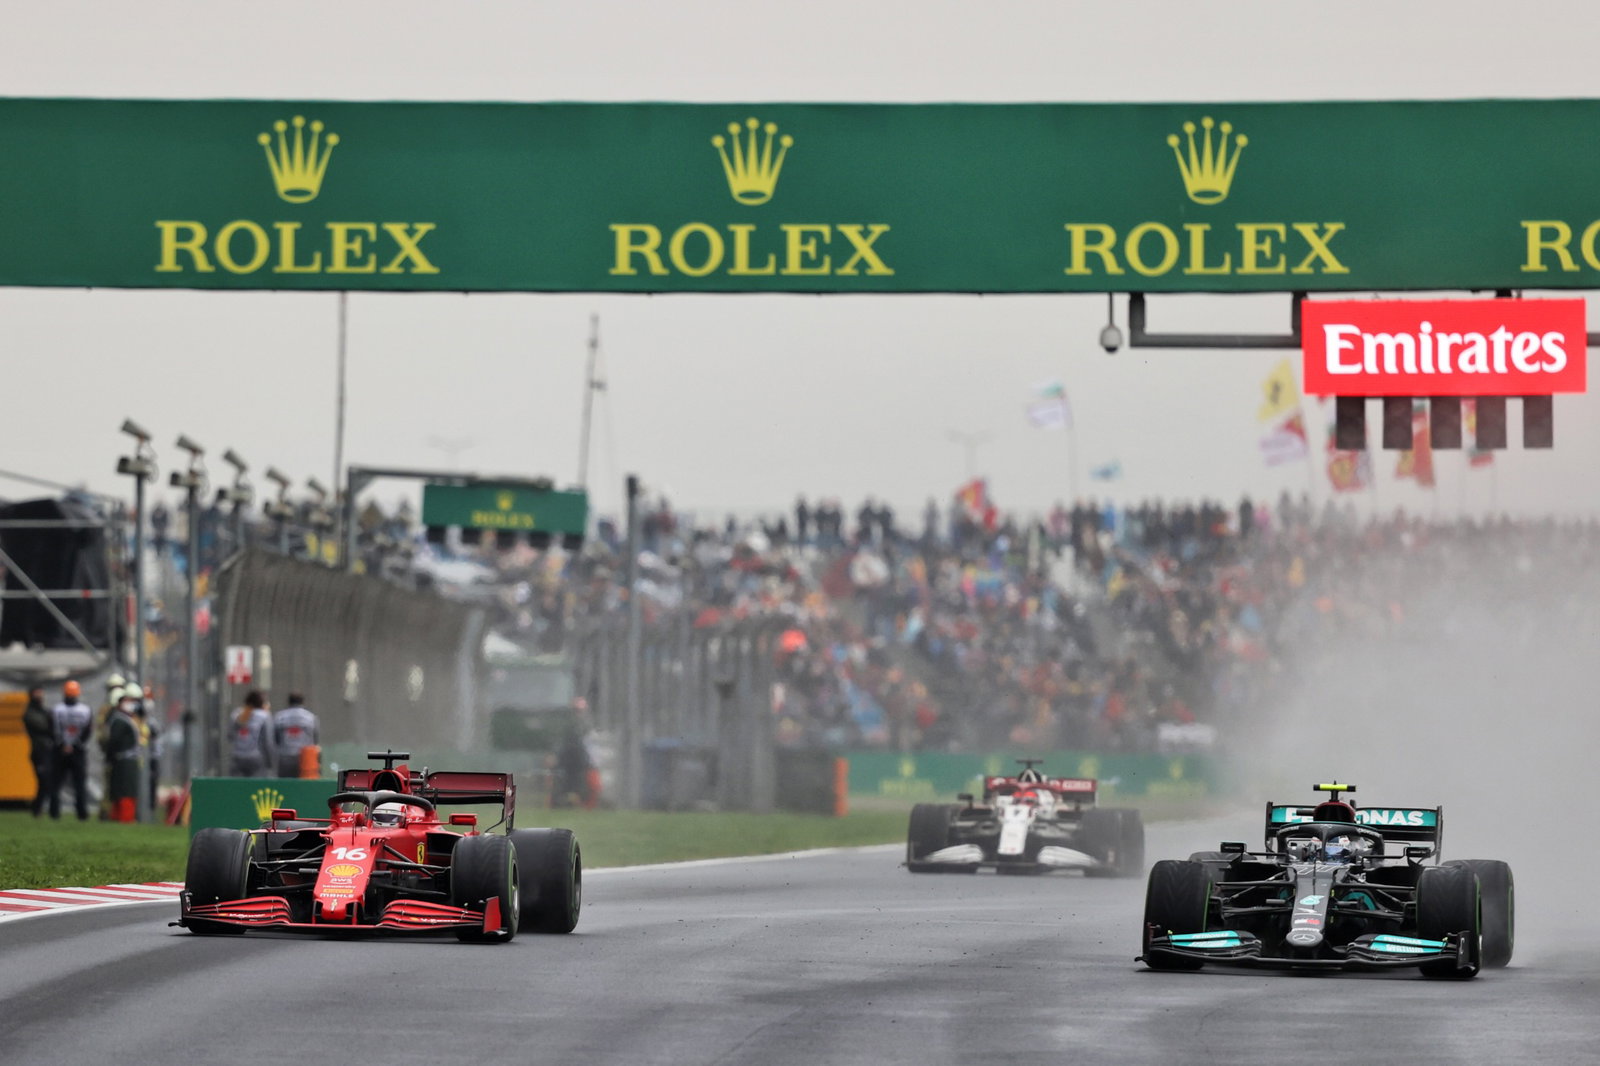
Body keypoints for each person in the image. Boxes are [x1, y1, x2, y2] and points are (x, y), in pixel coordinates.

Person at [50, 680, 93, 820]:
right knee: (78, 783)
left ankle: (55, 812)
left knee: (57, 782)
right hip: (77, 750)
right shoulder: (85, 710)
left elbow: (53, 729)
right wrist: (74, 745)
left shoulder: (57, 709)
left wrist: (64, 744)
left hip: (61, 749)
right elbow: (87, 731)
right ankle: (81, 813)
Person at [102, 685, 142, 823]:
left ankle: (122, 817)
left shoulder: (125, 719)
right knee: (125, 790)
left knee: (123, 790)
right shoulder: (119, 720)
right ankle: (124, 817)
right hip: (124, 760)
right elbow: (114, 741)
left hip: (125, 759)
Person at [22, 686, 54, 817]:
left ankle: (38, 808)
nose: (40, 697)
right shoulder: (29, 713)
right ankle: (36, 807)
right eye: (37, 694)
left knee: (47, 781)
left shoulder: (43, 711)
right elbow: (45, 726)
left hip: (47, 750)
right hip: (39, 751)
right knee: (43, 780)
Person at [272, 692, 320, 778]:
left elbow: (275, 739)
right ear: (302, 702)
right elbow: (315, 740)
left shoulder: (279, 717)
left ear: (289, 702)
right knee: (303, 786)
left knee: (285, 785)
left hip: (285, 756)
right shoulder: (310, 717)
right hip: (305, 758)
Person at [228, 690, 275, 777]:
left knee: (236, 786)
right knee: (255, 787)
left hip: (237, 756)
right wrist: (270, 762)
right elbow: (268, 741)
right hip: (256, 758)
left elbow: (230, 735)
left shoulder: (237, 714)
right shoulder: (264, 716)